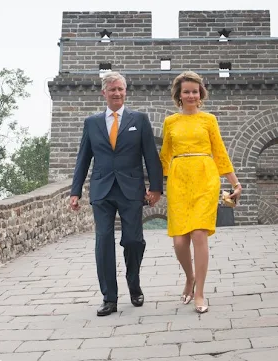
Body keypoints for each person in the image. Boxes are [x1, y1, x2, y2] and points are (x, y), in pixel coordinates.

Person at [70, 71, 163, 316]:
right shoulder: (92, 123)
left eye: (121, 89)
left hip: (131, 189)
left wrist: (155, 188)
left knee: (133, 240)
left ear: (125, 91)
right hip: (102, 189)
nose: (117, 93)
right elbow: (83, 159)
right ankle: (109, 298)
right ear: (104, 93)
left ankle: (134, 283)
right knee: (103, 242)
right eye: (112, 89)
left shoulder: (139, 120)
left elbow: (150, 156)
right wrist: (75, 191)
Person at [159, 71, 242, 314]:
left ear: (201, 93)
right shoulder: (170, 122)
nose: (191, 95)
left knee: (198, 234)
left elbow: (220, 152)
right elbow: (164, 156)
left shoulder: (209, 120)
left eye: (195, 91)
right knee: (179, 242)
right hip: (179, 180)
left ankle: (200, 292)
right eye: (187, 91)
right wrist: (154, 186)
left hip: (206, 177)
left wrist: (235, 183)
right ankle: (189, 277)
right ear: (179, 95)